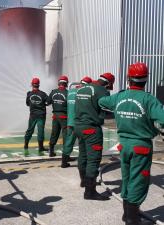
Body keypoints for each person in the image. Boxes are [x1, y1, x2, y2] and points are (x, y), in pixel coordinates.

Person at [99, 62, 164, 225]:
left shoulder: (119, 97)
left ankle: (127, 213)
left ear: (128, 78)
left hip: (124, 145)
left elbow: (102, 101)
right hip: (141, 146)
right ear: (146, 79)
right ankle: (132, 218)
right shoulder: (149, 99)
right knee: (138, 181)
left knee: (127, 178)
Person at [74, 72, 115, 200]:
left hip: (79, 126)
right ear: (108, 83)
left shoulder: (82, 89)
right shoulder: (102, 91)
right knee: (93, 160)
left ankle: (84, 181)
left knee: (83, 154)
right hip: (91, 128)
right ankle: (89, 192)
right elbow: (106, 112)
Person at [61, 76, 92, 169]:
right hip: (80, 122)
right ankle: (84, 162)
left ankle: (64, 162)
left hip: (70, 121)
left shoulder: (70, 92)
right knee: (83, 143)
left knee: (69, 142)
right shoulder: (83, 93)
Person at [24, 77, 48, 156]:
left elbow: (27, 104)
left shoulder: (29, 94)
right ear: (39, 85)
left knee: (30, 130)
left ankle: (26, 145)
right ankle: (41, 147)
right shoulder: (43, 94)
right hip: (41, 115)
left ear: (31, 84)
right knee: (40, 131)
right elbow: (48, 102)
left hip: (33, 115)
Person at [46, 75, 69, 157]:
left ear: (59, 83)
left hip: (55, 116)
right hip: (64, 117)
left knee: (54, 134)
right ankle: (66, 156)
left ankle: (51, 152)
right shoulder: (68, 93)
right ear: (66, 84)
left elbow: (47, 102)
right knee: (66, 135)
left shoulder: (53, 92)